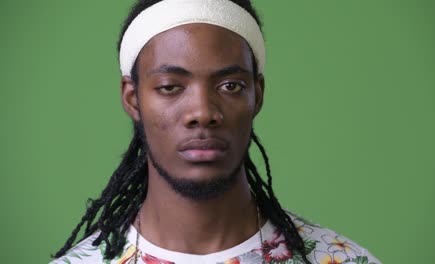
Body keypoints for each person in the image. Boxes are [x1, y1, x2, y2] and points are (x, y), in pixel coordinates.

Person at [51, 0, 381, 263]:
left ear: (257, 95)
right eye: (170, 87)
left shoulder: (342, 260)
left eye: (230, 85)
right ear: (132, 98)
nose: (203, 112)